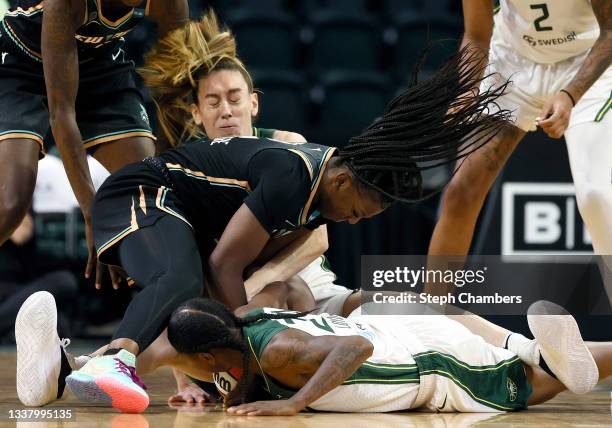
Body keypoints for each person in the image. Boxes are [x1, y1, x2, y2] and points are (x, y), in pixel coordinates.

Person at [50, 40, 512, 414]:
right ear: (345, 179)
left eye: (362, 221)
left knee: (204, 294)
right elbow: (224, 263)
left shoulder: (318, 180)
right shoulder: (294, 174)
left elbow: (230, 264)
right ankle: (116, 359)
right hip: (144, 193)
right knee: (184, 281)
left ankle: (62, 367)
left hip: (192, 228)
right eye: (356, 211)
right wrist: (250, 353)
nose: (352, 220)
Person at [0, 0, 189, 289]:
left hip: (99, 65)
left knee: (151, 197)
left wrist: (160, 177)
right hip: (21, 62)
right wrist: (93, 214)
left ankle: (171, 320)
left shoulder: (171, 4)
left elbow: (173, 92)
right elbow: (61, 114)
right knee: (11, 203)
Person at [164, 296, 606, 415]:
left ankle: (539, 356)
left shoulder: (279, 352)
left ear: (207, 357)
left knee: (525, 383)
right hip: (398, 325)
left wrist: (294, 402)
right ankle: (530, 346)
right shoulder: (245, 318)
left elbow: (357, 347)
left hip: (433, 360)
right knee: (555, 364)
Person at [427, 0, 612, 282]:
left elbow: (610, 32)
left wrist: (571, 94)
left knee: (595, 196)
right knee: (460, 191)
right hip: (511, 60)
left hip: (586, 60)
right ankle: (432, 317)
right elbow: (477, 36)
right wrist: (468, 89)